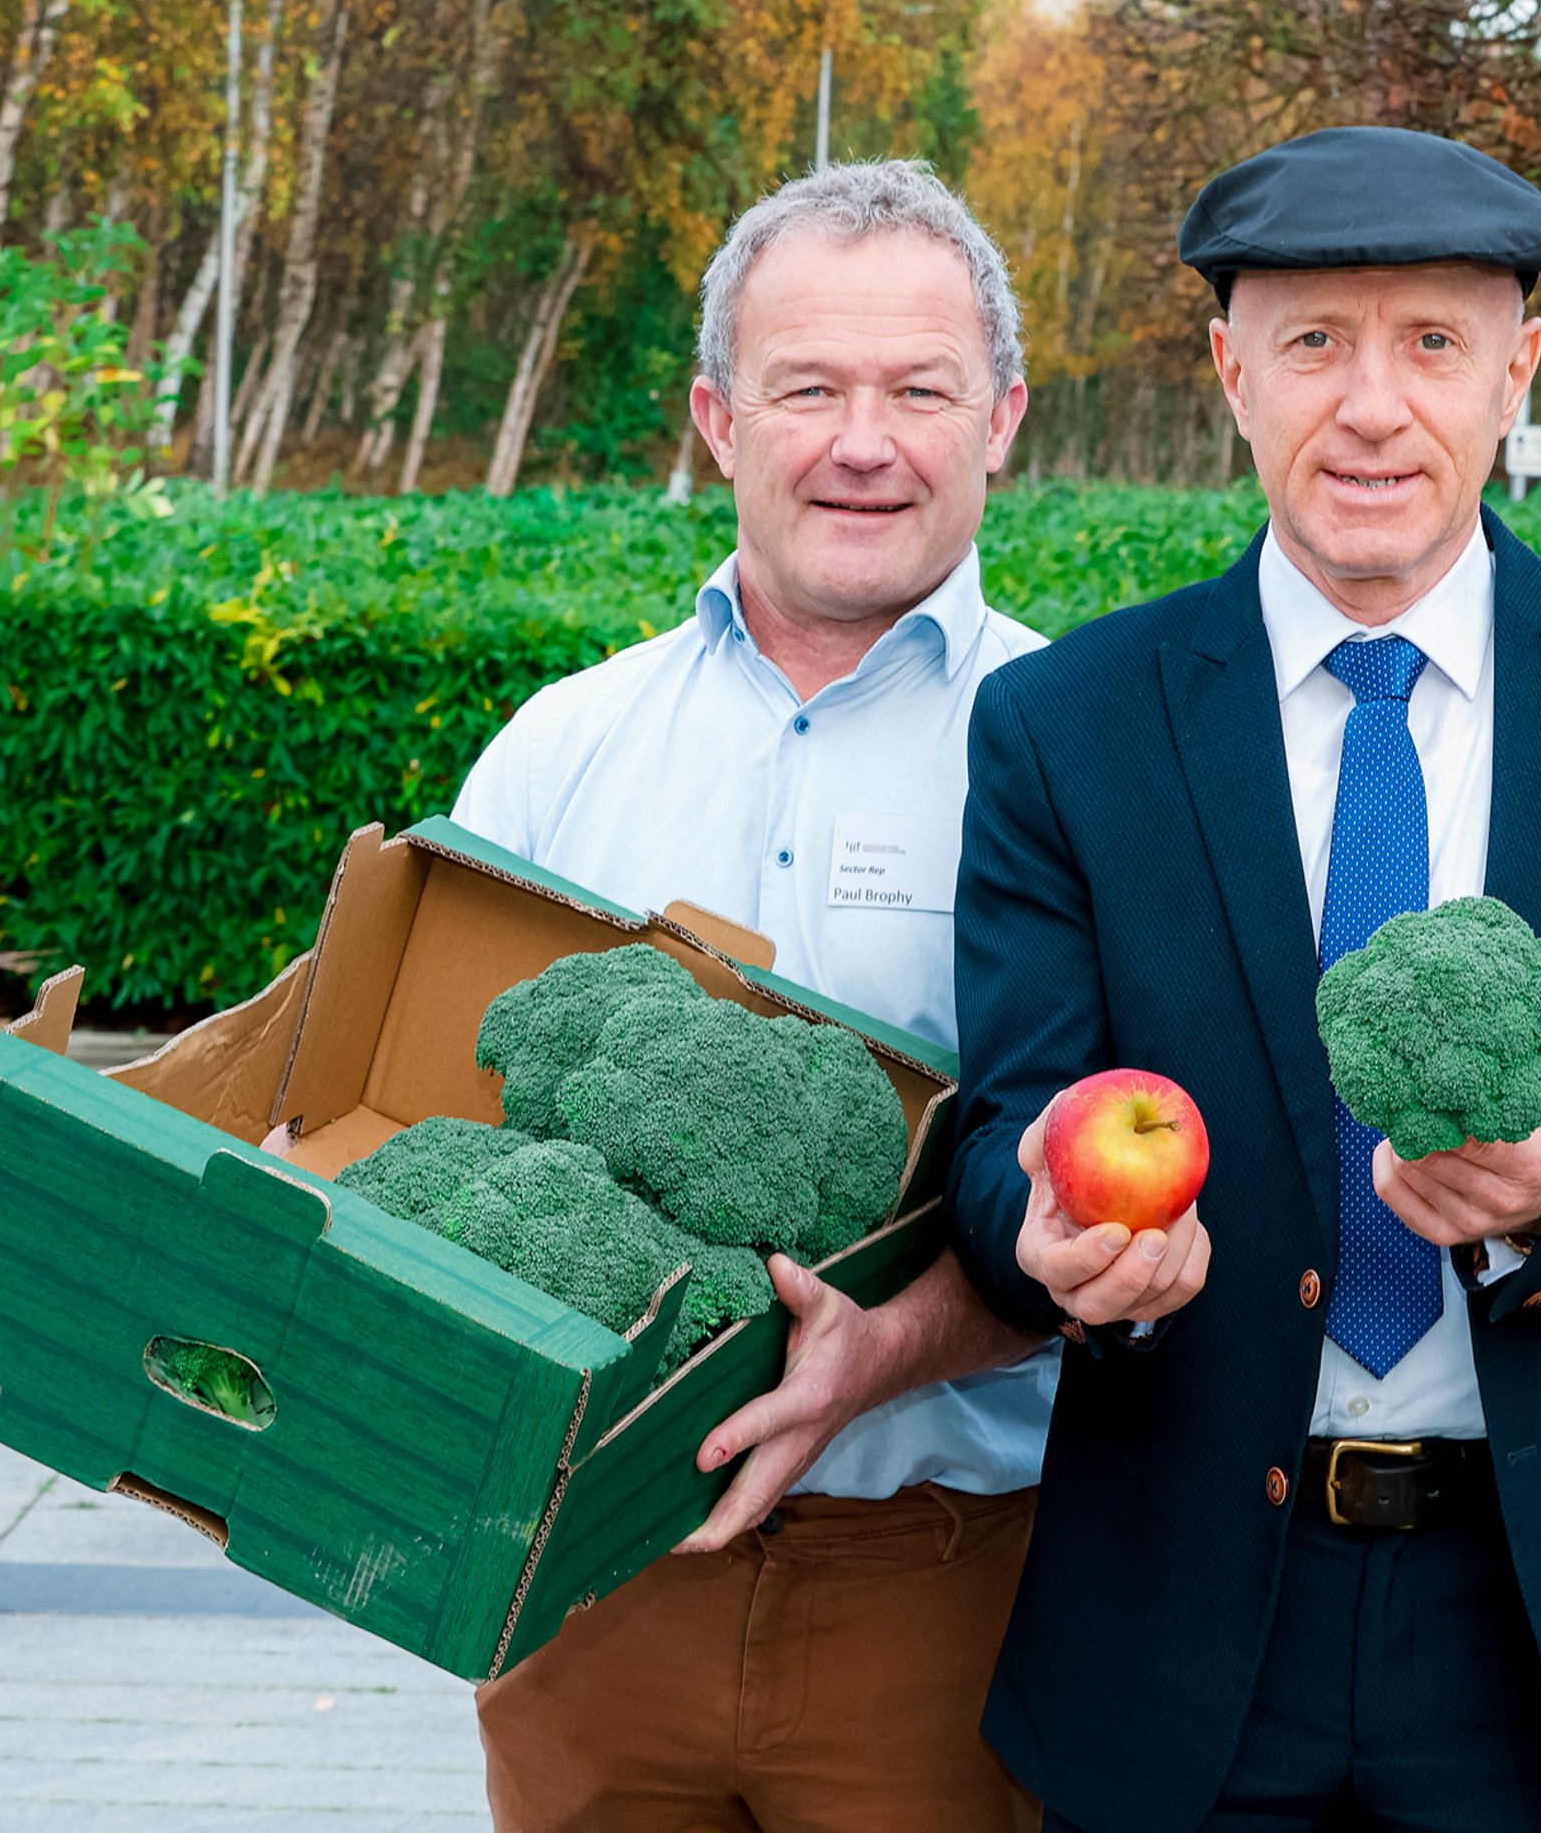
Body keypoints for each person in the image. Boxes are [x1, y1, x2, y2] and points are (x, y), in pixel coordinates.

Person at [942, 126, 1541, 1833]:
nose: (1372, 407)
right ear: (1230, 375)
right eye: (1312, 344)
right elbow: (1003, 1134)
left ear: (1516, 373)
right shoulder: (1070, 728)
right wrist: (1047, 1240)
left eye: (1432, 343)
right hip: (1181, 1629)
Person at [452, 161, 1055, 1833]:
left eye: (919, 389)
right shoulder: (563, 748)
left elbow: (1148, 1219)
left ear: (999, 419)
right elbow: (437, 1115)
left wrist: (892, 1349)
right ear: (721, 419)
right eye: (808, 388)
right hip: (586, 1591)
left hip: (944, 1588)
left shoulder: (1090, 758)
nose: (864, 441)